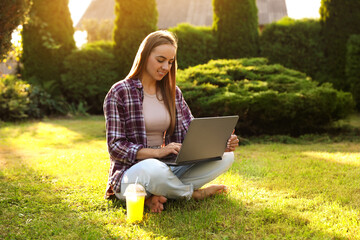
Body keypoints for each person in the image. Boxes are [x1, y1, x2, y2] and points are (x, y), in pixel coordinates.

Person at [103, 30, 239, 213]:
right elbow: (115, 146)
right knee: (154, 168)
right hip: (132, 173)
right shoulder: (120, 91)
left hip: (167, 167)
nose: (166, 67)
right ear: (144, 56)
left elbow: (190, 133)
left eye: (170, 62)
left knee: (227, 157)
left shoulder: (173, 92)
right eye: (160, 60)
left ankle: (155, 195)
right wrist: (157, 153)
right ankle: (192, 194)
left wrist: (220, 145)